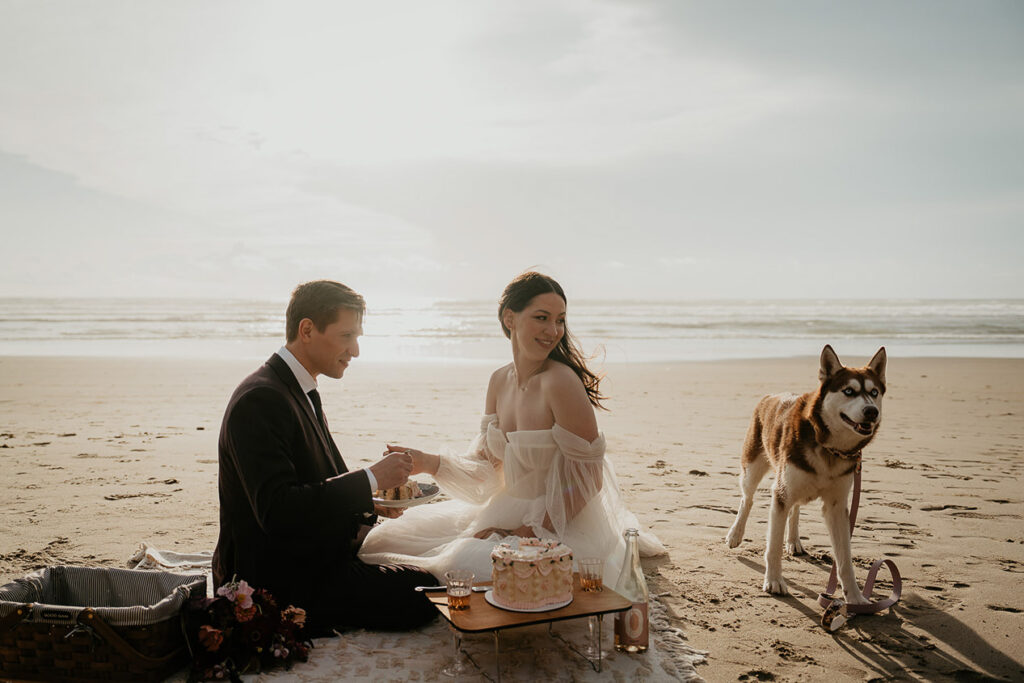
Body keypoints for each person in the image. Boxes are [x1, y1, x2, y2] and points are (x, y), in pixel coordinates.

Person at [358, 271, 665, 584]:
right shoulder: (498, 381)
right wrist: (425, 461)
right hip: (506, 509)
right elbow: (488, 470)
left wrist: (524, 533)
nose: (554, 330)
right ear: (509, 318)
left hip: (561, 520)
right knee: (386, 539)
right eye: (542, 318)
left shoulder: (561, 382)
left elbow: (587, 479)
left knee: (462, 561)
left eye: (560, 319)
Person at [212, 280, 437, 634]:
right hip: (278, 579)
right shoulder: (261, 399)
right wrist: (372, 478)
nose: (356, 351)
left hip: (311, 555)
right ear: (307, 330)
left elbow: (315, 481)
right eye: (347, 336)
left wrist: (373, 503)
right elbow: (277, 509)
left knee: (425, 564)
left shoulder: (297, 387)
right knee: (425, 590)